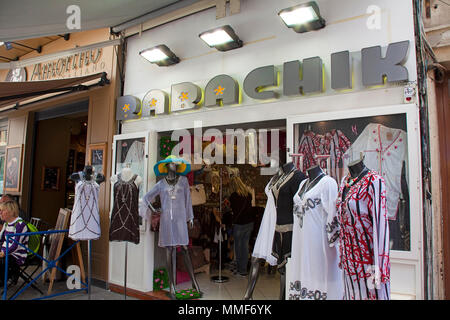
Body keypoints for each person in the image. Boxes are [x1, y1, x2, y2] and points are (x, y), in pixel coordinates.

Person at [229, 175, 254, 277]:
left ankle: (240, 269)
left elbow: (233, 210)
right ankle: (243, 270)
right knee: (245, 246)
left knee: (238, 248)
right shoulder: (248, 194)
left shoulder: (233, 196)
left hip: (239, 223)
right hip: (249, 223)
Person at [0, 199, 29, 287]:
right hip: (7, 252)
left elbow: (16, 245)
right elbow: (1, 240)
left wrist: (3, 252)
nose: (0, 213)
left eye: (3, 210)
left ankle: (4, 279)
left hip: (17, 255)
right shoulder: (6, 224)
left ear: (11, 212)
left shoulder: (20, 225)